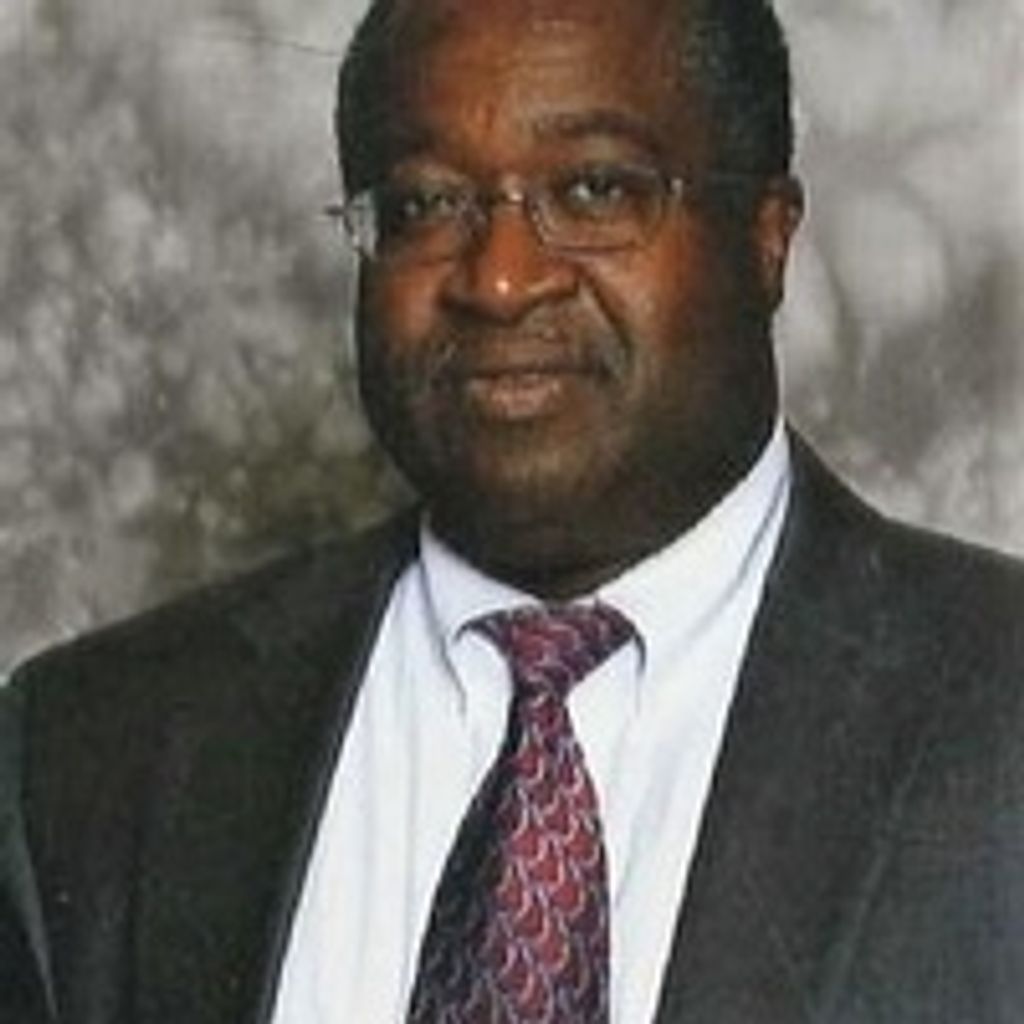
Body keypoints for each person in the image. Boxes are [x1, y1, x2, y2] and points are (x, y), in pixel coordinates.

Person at [4, 0, 1024, 1020]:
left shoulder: (993, 702)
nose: (497, 280)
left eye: (594, 189)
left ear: (766, 238)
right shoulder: (86, 751)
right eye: (426, 204)